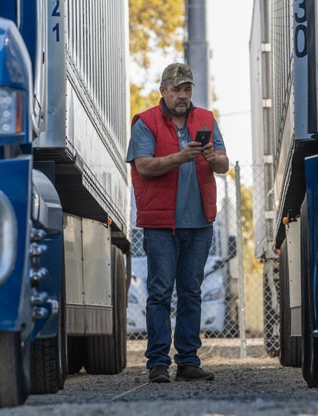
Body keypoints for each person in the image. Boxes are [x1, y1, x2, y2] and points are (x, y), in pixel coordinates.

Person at [126, 63, 229, 383]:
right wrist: (181, 157)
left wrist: (212, 158)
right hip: (160, 224)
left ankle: (188, 362)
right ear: (163, 91)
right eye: (176, 90)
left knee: (190, 292)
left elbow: (224, 165)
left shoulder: (207, 120)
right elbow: (143, 166)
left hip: (199, 222)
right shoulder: (145, 123)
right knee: (159, 292)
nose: (183, 96)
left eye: (187, 90)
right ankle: (158, 363)